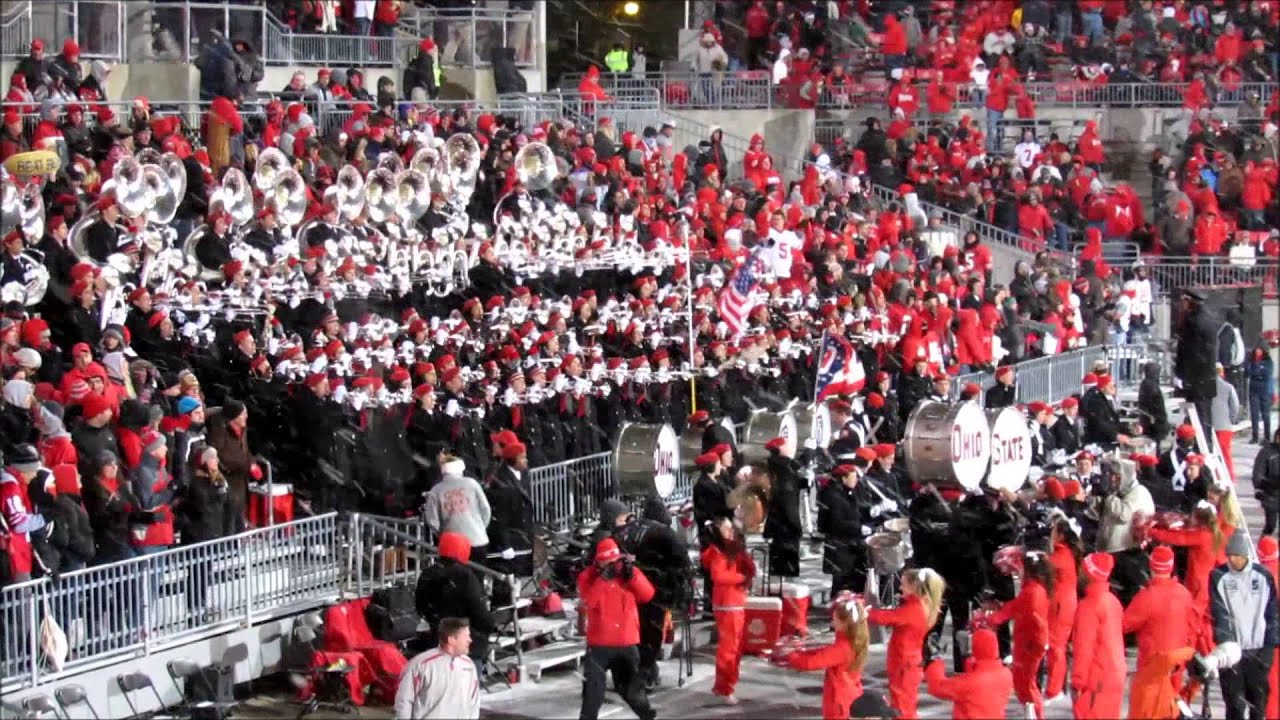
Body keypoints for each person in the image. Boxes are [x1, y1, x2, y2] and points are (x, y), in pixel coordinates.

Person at [615, 496, 691, 689]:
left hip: (626, 588)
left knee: (632, 633)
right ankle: (644, 674)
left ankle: (633, 673)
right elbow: (682, 562)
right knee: (651, 633)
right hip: (656, 589)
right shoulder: (664, 533)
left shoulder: (625, 530)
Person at [576, 538, 656, 720]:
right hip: (600, 644)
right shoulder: (587, 577)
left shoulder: (627, 573)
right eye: (608, 562)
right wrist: (603, 579)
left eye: (615, 561)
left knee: (631, 692)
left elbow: (648, 595)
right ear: (599, 561)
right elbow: (588, 602)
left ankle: (649, 717)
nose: (613, 565)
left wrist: (633, 577)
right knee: (593, 693)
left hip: (627, 641)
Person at [1209, 530, 1278, 720]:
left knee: (1258, 704)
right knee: (1234, 705)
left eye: (1236, 556)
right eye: (1229, 555)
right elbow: (1219, 611)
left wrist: (1269, 649)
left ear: (1245, 555)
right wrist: (1226, 643)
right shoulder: (1218, 576)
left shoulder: (1263, 576)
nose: (1232, 560)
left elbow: (1272, 614)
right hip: (1232, 653)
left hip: (1258, 652)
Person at [775, 592, 869, 719]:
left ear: (845, 624)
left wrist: (789, 656)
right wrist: (799, 651)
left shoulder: (842, 648)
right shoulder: (852, 641)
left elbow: (811, 662)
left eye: (835, 620)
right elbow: (823, 653)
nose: (832, 624)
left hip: (840, 701)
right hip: (846, 695)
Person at [1123, 545, 1197, 704]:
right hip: (1177, 662)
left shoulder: (1147, 597)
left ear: (1151, 566)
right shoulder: (1184, 594)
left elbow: (1124, 624)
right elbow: (1193, 629)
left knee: (1150, 708)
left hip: (1152, 665)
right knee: (1171, 706)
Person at [867, 567, 945, 719]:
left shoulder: (913, 609)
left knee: (902, 706)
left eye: (903, 585)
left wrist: (864, 611)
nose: (900, 588)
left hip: (904, 663)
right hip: (909, 662)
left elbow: (884, 618)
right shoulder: (922, 605)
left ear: (915, 587)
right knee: (904, 703)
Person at [1148, 501, 1225, 652]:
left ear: (1199, 519)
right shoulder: (1214, 535)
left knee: (1193, 624)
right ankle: (1203, 652)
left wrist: (1152, 532)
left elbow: (1179, 538)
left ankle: (1194, 652)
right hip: (1206, 584)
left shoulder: (1202, 536)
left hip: (1198, 586)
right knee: (1203, 623)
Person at [985, 550, 1051, 719]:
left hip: (1030, 644)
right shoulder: (1032, 588)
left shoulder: (1032, 591)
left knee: (1026, 684)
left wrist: (990, 619)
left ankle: (1036, 715)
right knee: (1023, 682)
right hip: (1027, 642)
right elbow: (1015, 607)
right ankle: (1032, 713)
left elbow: (1016, 610)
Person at [415, 532, 492, 671]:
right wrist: (489, 625)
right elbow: (478, 610)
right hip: (467, 643)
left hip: (438, 639)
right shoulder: (465, 576)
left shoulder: (427, 574)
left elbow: (420, 606)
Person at [700, 516, 755, 704]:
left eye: (731, 528)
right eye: (727, 528)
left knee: (735, 647)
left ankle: (727, 685)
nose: (731, 531)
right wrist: (741, 577)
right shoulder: (718, 552)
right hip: (728, 604)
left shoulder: (728, 549)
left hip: (734, 602)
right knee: (729, 648)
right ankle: (724, 687)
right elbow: (719, 576)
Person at [1071, 552, 1126, 720]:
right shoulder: (1112, 600)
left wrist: (1077, 681)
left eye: (1082, 570)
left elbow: (1084, 648)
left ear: (1089, 574)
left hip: (1096, 679)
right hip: (1115, 674)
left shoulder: (1088, 606)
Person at [393, 616, 481, 720]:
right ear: (452, 639)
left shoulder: (468, 665)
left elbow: (474, 702)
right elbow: (404, 701)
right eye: (466, 636)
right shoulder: (420, 665)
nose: (470, 640)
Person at [924, 628, 1013, 719]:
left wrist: (935, 661)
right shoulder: (1006, 674)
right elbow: (982, 674)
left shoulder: (969, 683)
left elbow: (938, 687)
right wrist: (967, 657)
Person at [1174, 289, 1220, 449]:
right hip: (1205, 377)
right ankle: (1206, 444)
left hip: (1197, 377)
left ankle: (1201, 447)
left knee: (1199, 418)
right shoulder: (1208, 318)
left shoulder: (1194, 322)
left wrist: (1183, 374)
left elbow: (1189, 351)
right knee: (1205, 417)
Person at [423, 453, 491, 560]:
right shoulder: (472, 484)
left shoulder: (435, 491)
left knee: (456, 576)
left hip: (451, 545)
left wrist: (443, 535)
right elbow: (485, 509)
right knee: (477, 574)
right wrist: (480, 528)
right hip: (478, 540)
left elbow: (432, 521)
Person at [1045, 516, 1081, 700]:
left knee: (1056, 647)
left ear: (1060, 536)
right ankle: (1056, 687)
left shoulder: (1061, 556)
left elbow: (1044, 567)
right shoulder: (1065, 553)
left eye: (1052, 531)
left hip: (1061, 606)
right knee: (1056, 647)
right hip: (1063, 604)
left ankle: (1054, 690)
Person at [1212, 363, 1241, 481]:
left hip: (1210, 424)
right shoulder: (1228, 387)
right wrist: (1232, 419)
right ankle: (1229, 476)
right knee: (1225, 452)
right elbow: (1235, 405)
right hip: (1224, 425)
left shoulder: (1205, 387)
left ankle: (1215, 475)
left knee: (1211, 452)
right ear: (1221, 372)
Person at [1246, 346, 1275, 444]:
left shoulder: (1268, 361)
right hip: (1253, 391)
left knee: (1265, 414)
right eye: (1256, 350)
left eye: (1260, 350)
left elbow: (1267, 373)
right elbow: (1248, 372)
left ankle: (1267, 437)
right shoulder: (1251, 361)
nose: (1258, 352)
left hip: (1264, 391)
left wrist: (1257, 371)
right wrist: (1259, 371)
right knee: (1254, 414)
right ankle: (1255, 436)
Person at [1256, 429, 1280, 536]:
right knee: (1271, 525)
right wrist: (1263, 486)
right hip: (1271, 495)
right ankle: (1263, 549)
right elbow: (1258, 474)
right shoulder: (1266, 452)